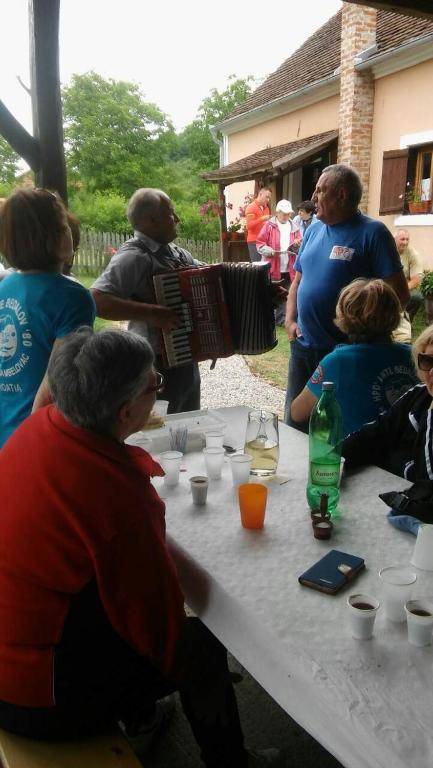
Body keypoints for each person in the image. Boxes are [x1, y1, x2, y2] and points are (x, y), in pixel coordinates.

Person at [0, 327, 282, 768]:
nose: (159, 389)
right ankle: (231, 763)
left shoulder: (44, 424)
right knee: (202, 647)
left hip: (18, 650)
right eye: (156, 384)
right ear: (128, 410)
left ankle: (140, 714)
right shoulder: (115, 493)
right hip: (36, 696)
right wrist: (184, 666)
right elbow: (155, 615)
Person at [284, 163, 410, 430]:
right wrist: (290, 319)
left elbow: (399, 294)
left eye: (320, 190)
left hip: (343, 353)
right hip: (303, 346)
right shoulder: (313, 229)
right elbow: (298, 280)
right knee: (293, 422)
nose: (314, 197)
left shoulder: (372, 233)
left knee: (333, 428)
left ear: (341, 195)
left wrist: (367, 335)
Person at [0, 188, 95, 448]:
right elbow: (56, 382)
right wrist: (30, 446)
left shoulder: (5, 287)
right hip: (38, 435)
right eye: (64, 226)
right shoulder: (72, 297)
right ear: (51, 237)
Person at [91, 188, 200, 414]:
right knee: (160, 430)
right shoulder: (134, 256)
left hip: (186, 358)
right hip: (154, 362)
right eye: (171, 213)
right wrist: (152, 313)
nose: (177, 219)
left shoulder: (177, 254)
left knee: (189, 424)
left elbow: (215, 276)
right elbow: (96, 300)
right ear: (152, 220)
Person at [291, 279, 418, 437]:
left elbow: (297, 412)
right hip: (405, 455)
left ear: (345, 316)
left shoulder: (338, 361)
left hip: (355, 456)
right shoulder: (414, 355)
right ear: (395, 314)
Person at [342, 324, 433, 482]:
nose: (431, 372)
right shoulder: (419, 395)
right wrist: (332, 459)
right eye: (427, 361)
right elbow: (376, 433)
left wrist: (395, 458)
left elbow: (427, 478)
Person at [256, 199, 301, 326]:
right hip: (273, 267)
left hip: (289, 267)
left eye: (288, 213)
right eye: (284, 213)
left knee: (286, 293)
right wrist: (270, 251)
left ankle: (280, 320)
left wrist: (297, 243)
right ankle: (266, 318)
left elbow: (300, 241)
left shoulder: (294, 227)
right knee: (270, 293)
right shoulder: (269, 226)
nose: (287, 216)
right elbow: (260, 244)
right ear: (278, 212)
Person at [394, 229, 423, 321]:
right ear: (395, 239)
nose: (405, 242)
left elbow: (416, 280)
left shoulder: (413, 254)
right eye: (402, 239)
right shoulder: (386, 250)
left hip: (405, 286)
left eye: (407, 239)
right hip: (386, 284)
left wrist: (402, 289)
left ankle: (406, 321)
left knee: (417, 297)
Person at [245, 187, 271, 262]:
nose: (268, 200)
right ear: (260, 194)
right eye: (267, 197)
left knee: (266, 265)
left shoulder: (266, 208)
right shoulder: (251, 207)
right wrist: (262, 219)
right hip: (254, 241)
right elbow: (249, 226)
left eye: (269, 198)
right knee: (257, 266)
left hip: (265, 241)